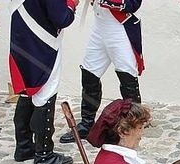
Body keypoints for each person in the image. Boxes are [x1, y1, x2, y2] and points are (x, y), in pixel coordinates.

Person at [59, 0, 144, 144]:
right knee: (89, 73)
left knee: (127, 77)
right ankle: (87, 124)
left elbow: (133, 4)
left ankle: (134, 125)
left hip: (120, 29)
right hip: (100, 28)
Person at [9, 0, 76, 164]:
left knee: (27, 92)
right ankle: (44, 155)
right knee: (46, 92)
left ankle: (24, 147)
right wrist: (72, 4)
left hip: (21, 36)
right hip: (43, 42)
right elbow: (61, 18)